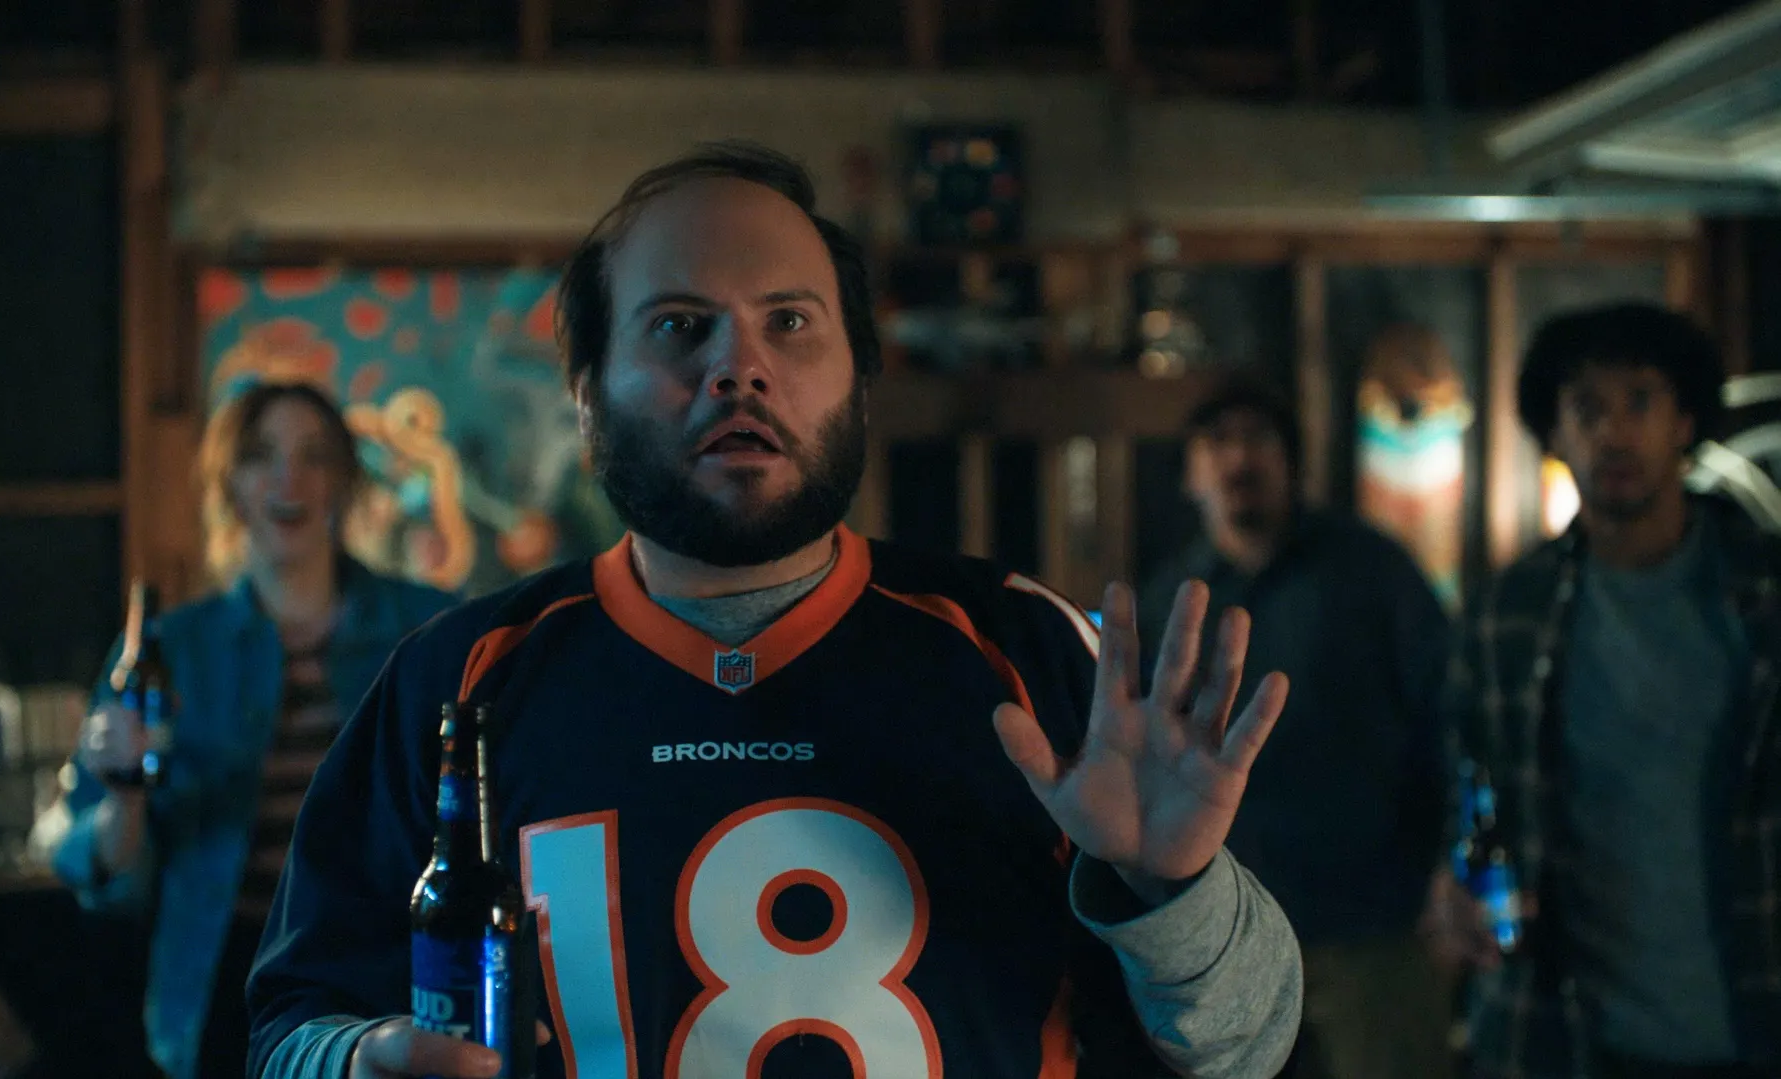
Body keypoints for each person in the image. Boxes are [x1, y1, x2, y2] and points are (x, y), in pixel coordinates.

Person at [247, 142, 1304, 1079]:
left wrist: (1175, 891)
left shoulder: (1024, 651)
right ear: (585, 394)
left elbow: (1248, 1048)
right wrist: (360, 1059)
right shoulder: (457, 681)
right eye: (678, 327)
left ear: (856, 377)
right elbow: (286, 1029)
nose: (737, 368)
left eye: (788, 322)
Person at [47, 381, 458, 1079]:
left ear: (342, 483)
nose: (287, 478)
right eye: (262, 455)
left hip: (389, 976)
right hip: (221, 984)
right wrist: (125, 793)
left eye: (314, 456)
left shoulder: (430, 629)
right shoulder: (169, 648)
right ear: (230, 483)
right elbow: (86, 859)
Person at [1426, 302, 1781, 1079]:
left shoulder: (1763, 588)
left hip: (1754, 1017)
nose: (1614, 433)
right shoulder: (1505, 614)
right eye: (1587, 408)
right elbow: (1460, 777)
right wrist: (1448, 879)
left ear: (1685, 420)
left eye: (1640, 402)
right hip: (1568, 1033)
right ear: (1552, 434)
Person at [1137, 380, 1452, 1079]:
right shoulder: (1172, 600)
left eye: (1258, 438)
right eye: (1217, 442)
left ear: (1292, 461)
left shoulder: (1372, 573)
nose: (1238, 458)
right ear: (1190, 473)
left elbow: (1447, 716)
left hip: (1370, 923)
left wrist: (1449, 868)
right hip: (1228, 938)